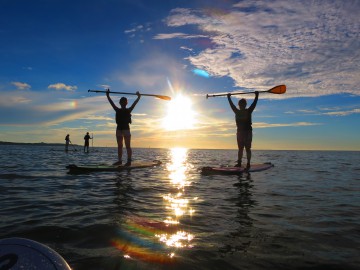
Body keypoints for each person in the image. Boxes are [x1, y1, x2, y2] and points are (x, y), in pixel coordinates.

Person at [106, 90, 141, 166]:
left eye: (124, 102)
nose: (123, 103)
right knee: (120, 146)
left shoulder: (128, 110)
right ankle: (120, 161)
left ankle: (129, 161)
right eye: (122, 102)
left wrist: (138, 97)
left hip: (126, 129)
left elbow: (134, 104)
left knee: (127, 146)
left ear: (126, 103)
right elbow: (111, 103)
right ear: (120, 103)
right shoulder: (117, 110)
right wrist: (108, 96)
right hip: (119, 129)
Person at [227, 91, 259, 171]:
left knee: (247, 148)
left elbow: (254, 104)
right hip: (240, 133)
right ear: (239, 105)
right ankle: (239, 163)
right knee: (240, 148)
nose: (241, 106)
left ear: (245, 105)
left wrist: (256, 96)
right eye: (240, 104)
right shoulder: (236, 111)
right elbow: (231, 105)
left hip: (247, 132)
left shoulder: (248, 111)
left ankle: (248, 163)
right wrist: (228, 97)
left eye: (243, 104)